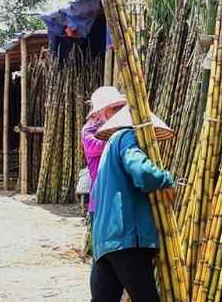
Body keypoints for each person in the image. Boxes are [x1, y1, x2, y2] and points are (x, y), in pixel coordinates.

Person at [90, 104, 176, 302]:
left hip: (106, 241)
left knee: (104, 298)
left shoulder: (109, 148)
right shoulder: (127, 137)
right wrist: (166, 180)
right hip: (126, 236)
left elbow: (96, 194)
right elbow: (142, 172)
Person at [82, 87, 127, 297]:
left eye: (121, 107)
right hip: (100, 204)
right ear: (100, 112)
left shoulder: (122, 132)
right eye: (114, 108)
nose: (119, 111)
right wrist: (124, 135)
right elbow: (101, 146)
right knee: (102, 256)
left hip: (120, 202)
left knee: (120, 253)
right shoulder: (90, 132)